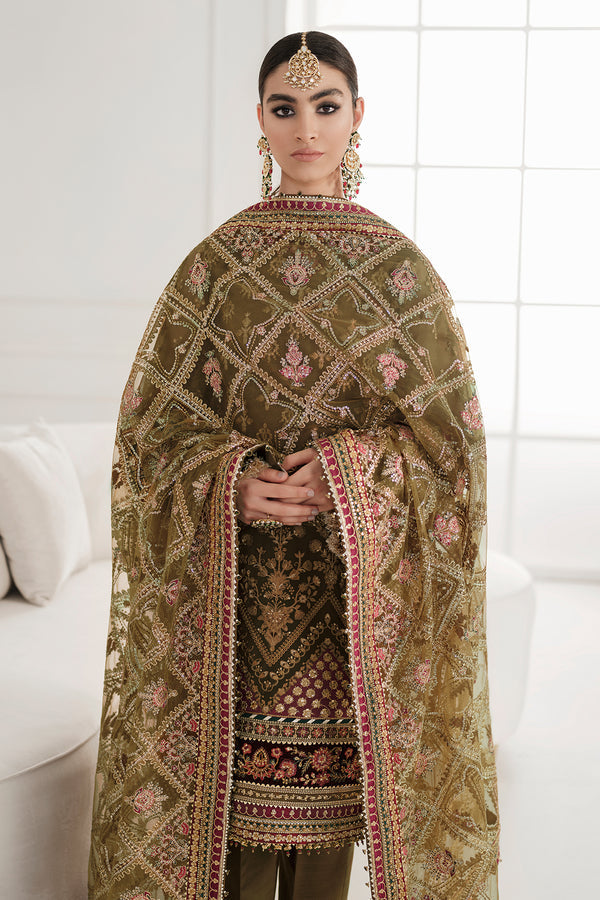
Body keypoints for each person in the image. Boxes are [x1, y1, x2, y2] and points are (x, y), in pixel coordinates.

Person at [88, 31, 500, 900]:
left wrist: (353, 477)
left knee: (324, 860)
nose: (306, 129)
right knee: (225, 847)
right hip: (230, 616)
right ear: (261, 120)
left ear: (358, 115)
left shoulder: (401, 273)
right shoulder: (215, 266)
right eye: (285, 108)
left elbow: (450, 455)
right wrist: (230, 481)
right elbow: (149, 439)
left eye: (325, 106)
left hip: (348, 616)